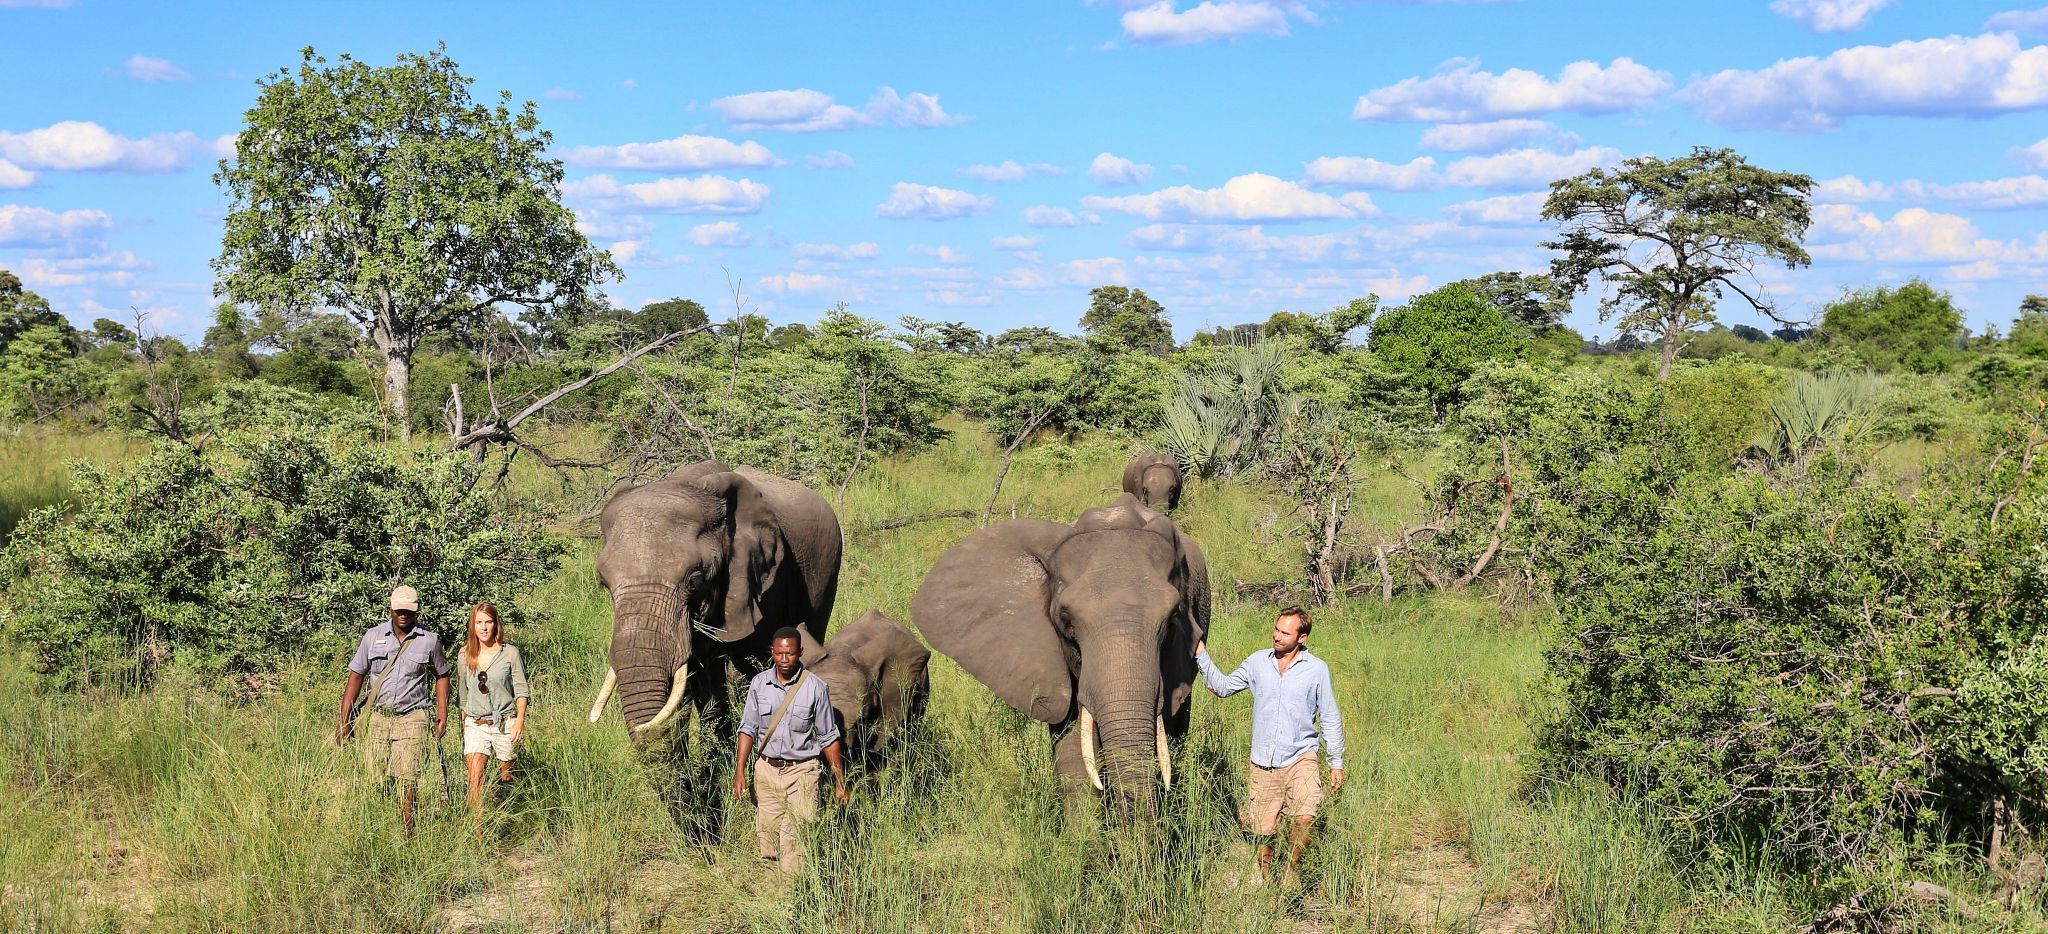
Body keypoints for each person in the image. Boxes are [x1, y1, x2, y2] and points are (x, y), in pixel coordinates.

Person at [1196, 605, 1346, 883]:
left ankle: (1290, 868)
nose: (1277, 636)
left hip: (1301, 757)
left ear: (1302, 638)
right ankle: (1267, 879)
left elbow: (1330, 715)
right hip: (1263, 762)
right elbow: (1224, 687)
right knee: (1264, 831)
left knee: (1306, 814)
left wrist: (1335, 761)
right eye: (1276, 629)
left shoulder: (1316, 670)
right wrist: (1201, 655)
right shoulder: (1256, 663)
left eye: (1285, 633)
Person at [732, 627, 850, 876]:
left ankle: (789, 904)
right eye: (779, 654)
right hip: (766, 771)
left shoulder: (815, 688)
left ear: (801, 653)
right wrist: (740, 770)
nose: (784, 660)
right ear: (772, 652)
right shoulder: (759, 685)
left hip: (803, 772)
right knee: (769, 841)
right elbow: (748, 729)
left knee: (795, 841)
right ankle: (774, 899)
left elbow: (829, 737)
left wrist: (840, 781)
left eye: (790, 654)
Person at [336, 584, 452, 837]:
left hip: (413, 716)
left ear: (416, 611)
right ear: (390, 608)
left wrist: (442, 713)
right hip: (377, 717)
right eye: (399, 610)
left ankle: (407, 831)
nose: (403, 615)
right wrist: (343, 721)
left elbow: (442, 675)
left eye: (408, 611)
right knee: (374, 775)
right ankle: (378, 827)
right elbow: (356, 677)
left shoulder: (429, 641)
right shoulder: (372, 636)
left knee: (408, 777)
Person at [456, 601, 529, 833]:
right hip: (476, 723)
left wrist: (519, 720)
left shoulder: (510, 653)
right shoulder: (465, 654)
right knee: (474, 778)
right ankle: (477, 833)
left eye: (488, 622)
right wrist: (464, 723)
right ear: (472, 625)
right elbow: (462, 693)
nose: (484, 627)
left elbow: (521, 690)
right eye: (479, 622)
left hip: (504, 722)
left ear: (496, 624)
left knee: (506, 776)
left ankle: (514, 811)